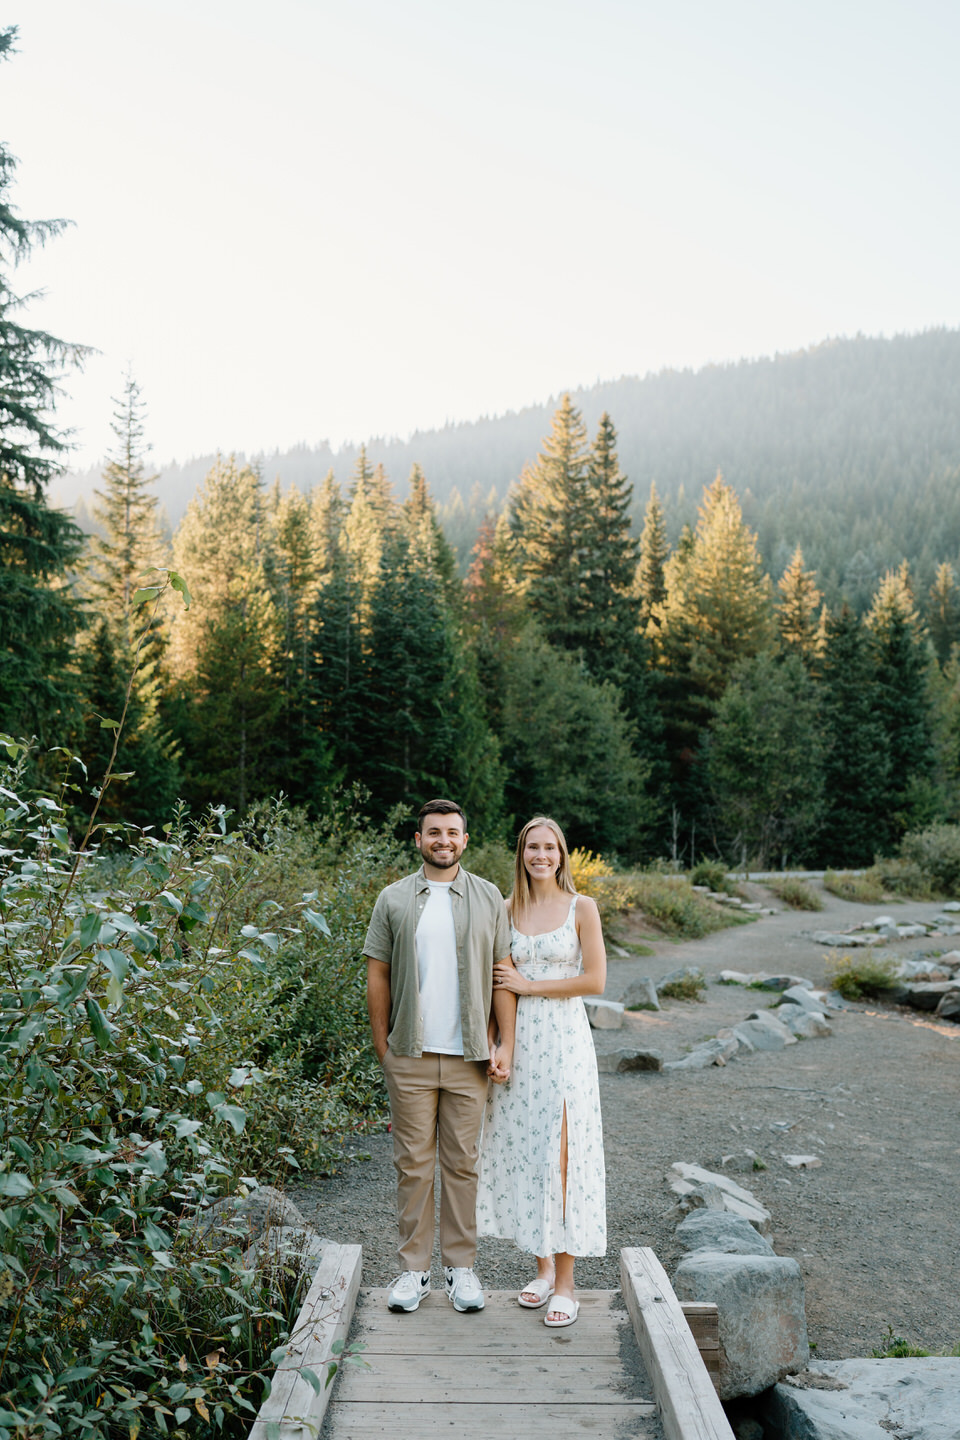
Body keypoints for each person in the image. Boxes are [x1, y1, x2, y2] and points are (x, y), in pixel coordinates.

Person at [364, 798, 515, 1315]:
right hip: (409, 1053)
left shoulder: (490, 897)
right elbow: (377, 975)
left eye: (452, 832)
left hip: (470, 1055)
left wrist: (502, 1042)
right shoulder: (394, 899)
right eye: (434, 832)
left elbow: (502, 973)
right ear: (418, 839)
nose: (443, 840)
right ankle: (412, 1273)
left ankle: (460, 1269)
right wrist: (384, 1047)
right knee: (412, 1165)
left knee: (462, 1164)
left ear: (465, 840)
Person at [476, 816, 606, 1327]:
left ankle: (569, 1284)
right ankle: (543, 1268)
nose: (542, 855)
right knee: (528, 1148)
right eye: (533, 847)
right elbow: (497, 982)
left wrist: (530, 986)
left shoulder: (582, 908)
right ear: (521, 853)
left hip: (566, 1043)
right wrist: (496, 1040)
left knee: (564, 1152)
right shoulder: (505, 911)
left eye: (550, 847)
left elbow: (594, 979)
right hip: (520, 1042)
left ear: (563, 854)